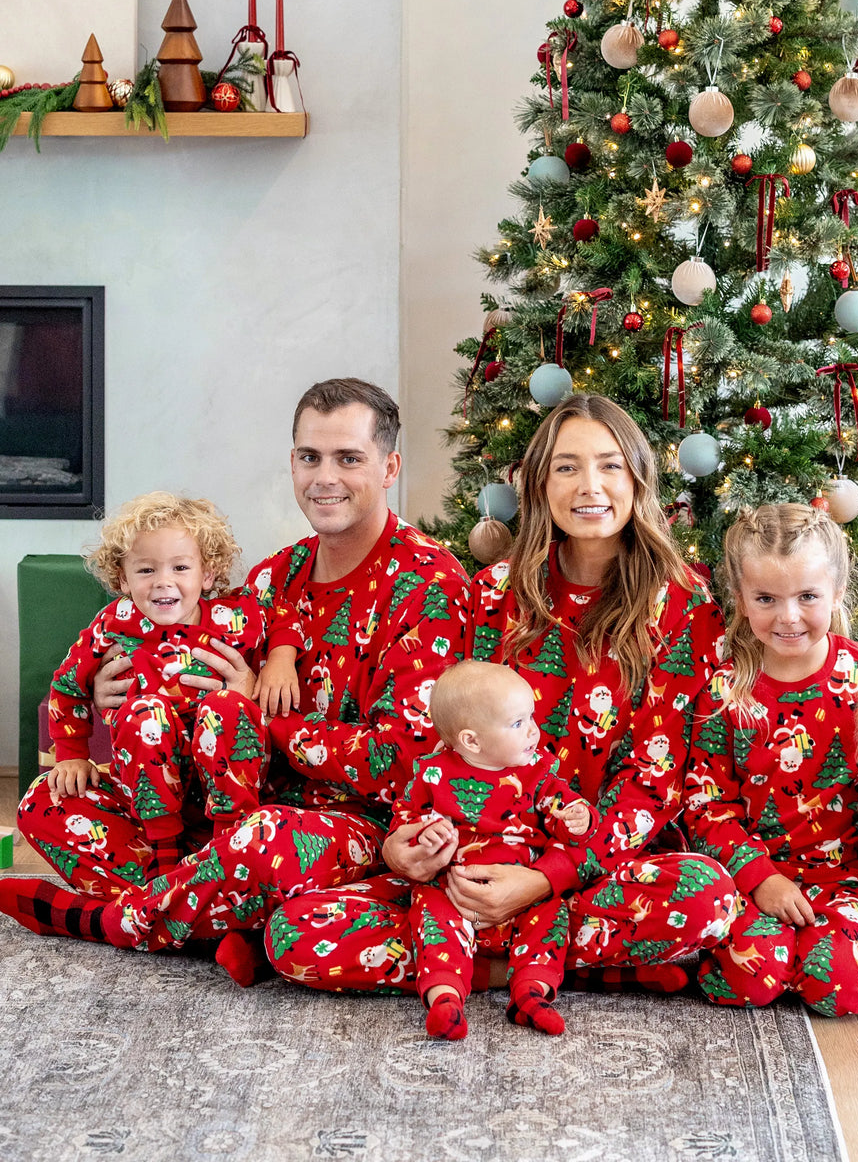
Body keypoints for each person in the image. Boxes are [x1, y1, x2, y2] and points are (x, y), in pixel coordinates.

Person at [261, 394, 739, 992]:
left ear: (638, 478)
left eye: (610, 465)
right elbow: (440, 738)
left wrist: (548, 876)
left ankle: (483, 966)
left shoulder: (683, 606)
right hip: (464, 867)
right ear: (539, 483)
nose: (589, 484)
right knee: (294, 934)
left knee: (707, 897)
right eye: (567, 467)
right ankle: (533, 965)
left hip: (584, 874)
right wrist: (405, 845)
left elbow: (654, 777)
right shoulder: (494, 593)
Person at [3, 379, 470, 982]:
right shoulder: (278, 574)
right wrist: (108, 692)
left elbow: (405, 759)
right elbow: (187, 660)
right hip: (227, 803)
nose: (325, 476)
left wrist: (266, 717)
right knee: (48, 803)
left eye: (348, 458)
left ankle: (112, 920)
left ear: (389, 467)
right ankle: (224, 915)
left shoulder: (429, 584)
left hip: (349, 825)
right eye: (310, 457)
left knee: (260, 840)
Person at [683, 503, 858, 1017]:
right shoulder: (726, 691)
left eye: (808, 597)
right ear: (741, 599)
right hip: (755, 879)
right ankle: (771, 957)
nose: (788, 617)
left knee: (841, 987)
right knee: (750, 981)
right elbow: (707, 805)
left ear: (837, 592)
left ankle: (820, 954)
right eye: (767, 598)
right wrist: (760, 878)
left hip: (849, 879)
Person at [42, 492, 304, 879]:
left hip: (228, 777)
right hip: (149, 785)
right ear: (122, 578)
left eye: (180, 567)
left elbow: (282, 616)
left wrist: (281, 659)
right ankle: (164, 864)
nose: (164, 582)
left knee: (227, 706)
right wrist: (70, 754)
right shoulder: (114, 624)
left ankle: (228, 848)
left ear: (208, 574)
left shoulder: (234, 615)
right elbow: (67, 684)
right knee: (142, 713)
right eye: (146, 570)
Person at [393, 659, 597, 1039]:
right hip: (452, 890)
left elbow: (562, 806)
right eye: (519, 724)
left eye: (532, 719)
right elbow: (406, 822)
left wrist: (578, 816)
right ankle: (445, 1000)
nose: (535, 733)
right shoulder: (433, 773)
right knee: (431, 919)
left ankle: (531, 996)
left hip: (525, 896)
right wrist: (424, 837)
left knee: (551, 918)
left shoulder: (537, 770)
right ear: (471, 740)